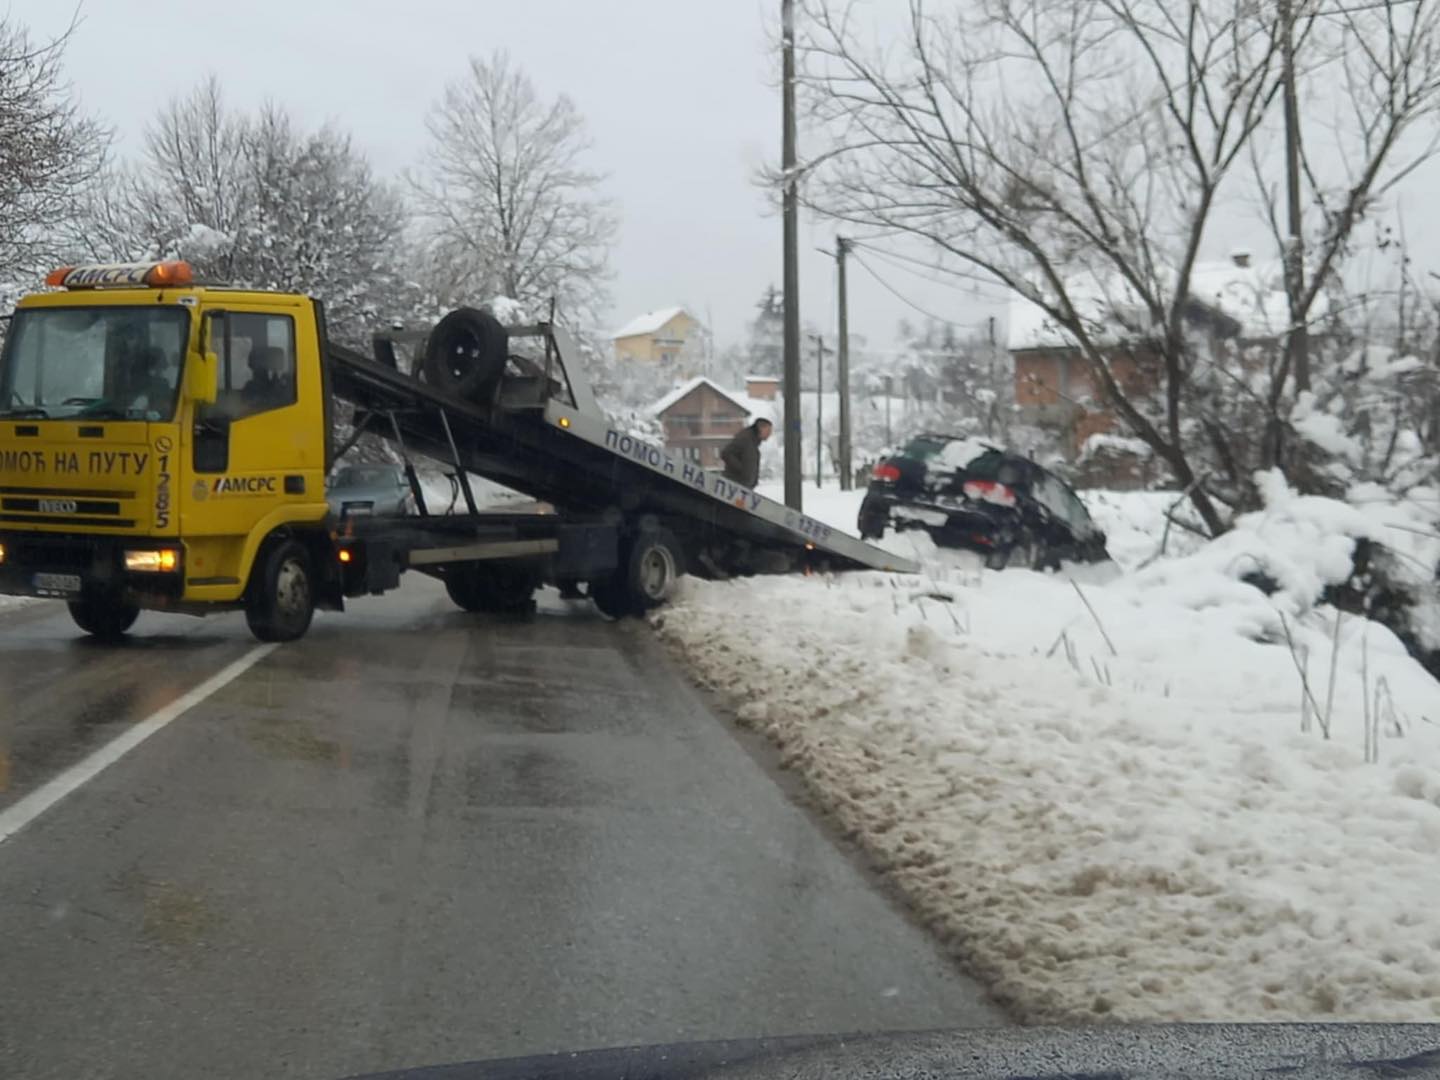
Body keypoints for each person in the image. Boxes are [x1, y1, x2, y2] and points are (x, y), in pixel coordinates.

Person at [719, 417, 772, 488]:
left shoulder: (753, 443)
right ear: (760, 427)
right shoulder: (745, 438)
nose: (770, 434)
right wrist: (742, 471)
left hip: (744, 488)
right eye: (768, 430)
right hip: (734, 487)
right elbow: (726, 453)